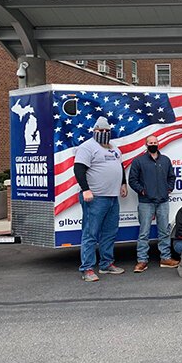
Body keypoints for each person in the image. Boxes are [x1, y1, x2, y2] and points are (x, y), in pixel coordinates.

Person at [74, 117, 128, 282]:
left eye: (107, 131)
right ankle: (87, 268)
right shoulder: (87, 147)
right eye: (101, 131)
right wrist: (86, 190)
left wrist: (123, 183)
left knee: (109, 233)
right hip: (95, 197)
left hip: (112, 197)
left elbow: (120, 166)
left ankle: (106, 264)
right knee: (90, 233)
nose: (104, 133)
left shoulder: (114, 148)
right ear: (94, 131)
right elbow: (79, 169)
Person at [128, 134, 179, 272]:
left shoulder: (165, 160)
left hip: (163, 201)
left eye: (155, 142)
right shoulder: (139, 161)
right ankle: (142, 261)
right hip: (146, 202)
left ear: (158, 143)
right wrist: (143, 191)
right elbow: (132, 180)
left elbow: (171, 177)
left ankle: (165, 258)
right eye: (150, 142)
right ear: (146, 145)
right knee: (144, 233)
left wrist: (168, 188)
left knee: (164, 232)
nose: (153, 144)